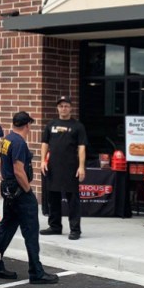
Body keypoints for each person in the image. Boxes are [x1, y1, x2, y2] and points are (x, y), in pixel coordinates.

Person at [0, 111, 59, 285]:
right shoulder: (19, 142)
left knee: (7, 227)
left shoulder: (8, 139)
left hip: (10, 189)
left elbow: (0, 164)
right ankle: (36, 272)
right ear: (27, 125)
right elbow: (19, 170)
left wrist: (7, 182)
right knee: (31, 232)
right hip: (20, 192)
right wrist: (28, 191)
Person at [40, 96, 88, 240]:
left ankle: (75, 229)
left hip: (71, 168)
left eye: (66, 106)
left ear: (71, 108)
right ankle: (55, 226)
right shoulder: (51, 124)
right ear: (57, 108)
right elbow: (44, 143)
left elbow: (81, 147)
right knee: (53, 198)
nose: (63, 108)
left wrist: (81, 166)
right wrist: (42, 161)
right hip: (53, 167)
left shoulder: (78, 126)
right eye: (61, 106)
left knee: (73, 200)